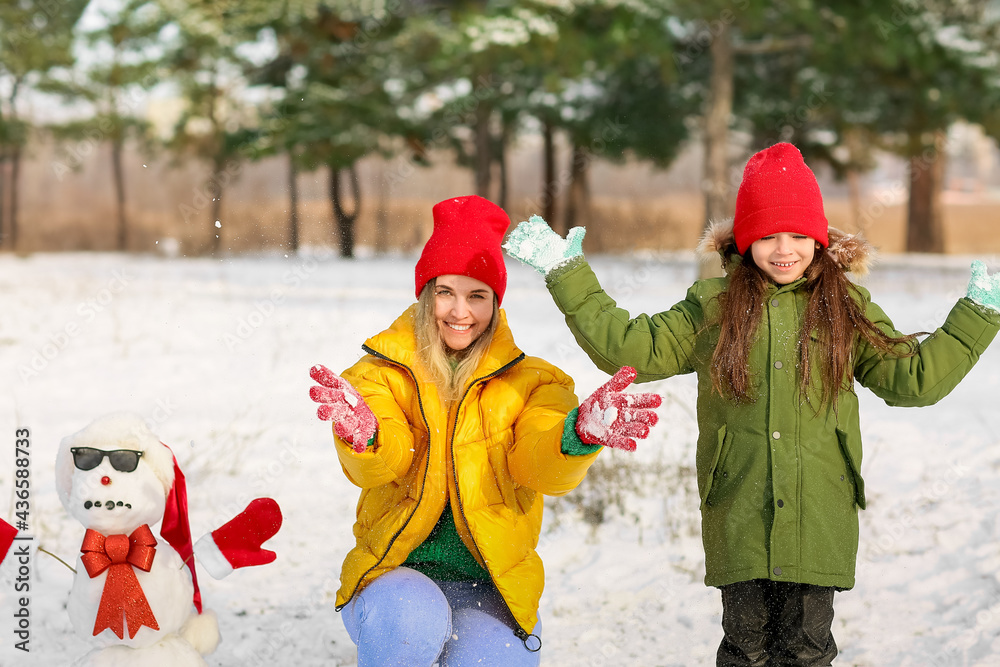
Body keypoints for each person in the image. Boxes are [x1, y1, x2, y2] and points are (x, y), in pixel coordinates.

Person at [504, 142, 1000, 666]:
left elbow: (912, 379)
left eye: (797, 234)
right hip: (740, 509)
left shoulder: (845, 308)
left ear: (818, 237)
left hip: (818, 516)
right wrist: (568, 274)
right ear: (744, 239)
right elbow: (633, 348)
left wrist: (978, 315)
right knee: (746, 649)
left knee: (807, 651)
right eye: (767, 235)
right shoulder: (713, 307)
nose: (783, 248)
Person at [309, 195, 662, 667]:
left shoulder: (536, 382)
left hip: (490, 583)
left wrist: (576, 435)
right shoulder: (379, 374)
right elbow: (383, 460)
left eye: (477, 295)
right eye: (446, 292)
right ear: (425, 293)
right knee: (413, 626)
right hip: (397, 575)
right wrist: (366, 437)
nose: (461, 312)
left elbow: (537, 465)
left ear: (496, 303)